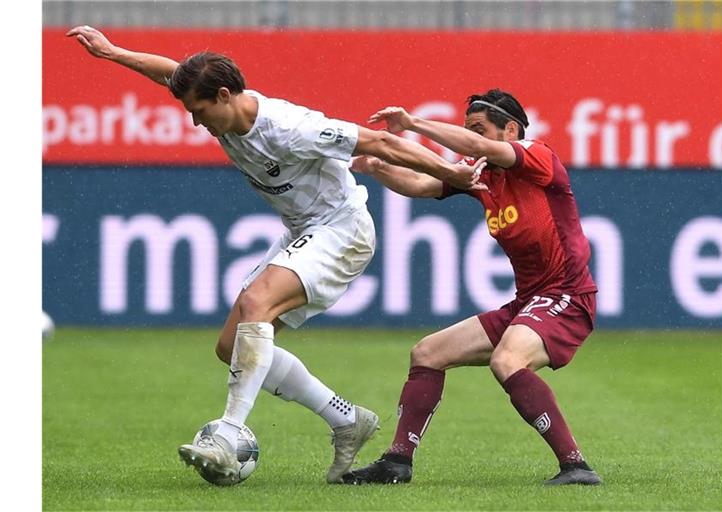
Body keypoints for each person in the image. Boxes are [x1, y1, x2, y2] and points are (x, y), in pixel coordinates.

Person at [66, 25, 487, 485]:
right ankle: (347, 419)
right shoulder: (220, 105)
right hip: (302, 230)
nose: (195, 122)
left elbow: (382, 142)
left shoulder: (289, 128)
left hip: (341, 230)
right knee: (231, 347)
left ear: (225, 95)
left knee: (255, 305)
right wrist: (111, 53)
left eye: (200, 112)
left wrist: (453, 173)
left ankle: (228, 433)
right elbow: (171, 73)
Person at [342, 89, 602, 486]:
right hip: (529, 302)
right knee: (428, 353)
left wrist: (412, 124)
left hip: (566, 295)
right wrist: (376, 165)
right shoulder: (483, 175)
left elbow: (478, 147)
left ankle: (576, 466)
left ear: (510, 129)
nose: (471, 138)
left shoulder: (537, 155)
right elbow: (420, 183)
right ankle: (398, 462)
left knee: (507, 360)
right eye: (468, 129)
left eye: (478, 128)